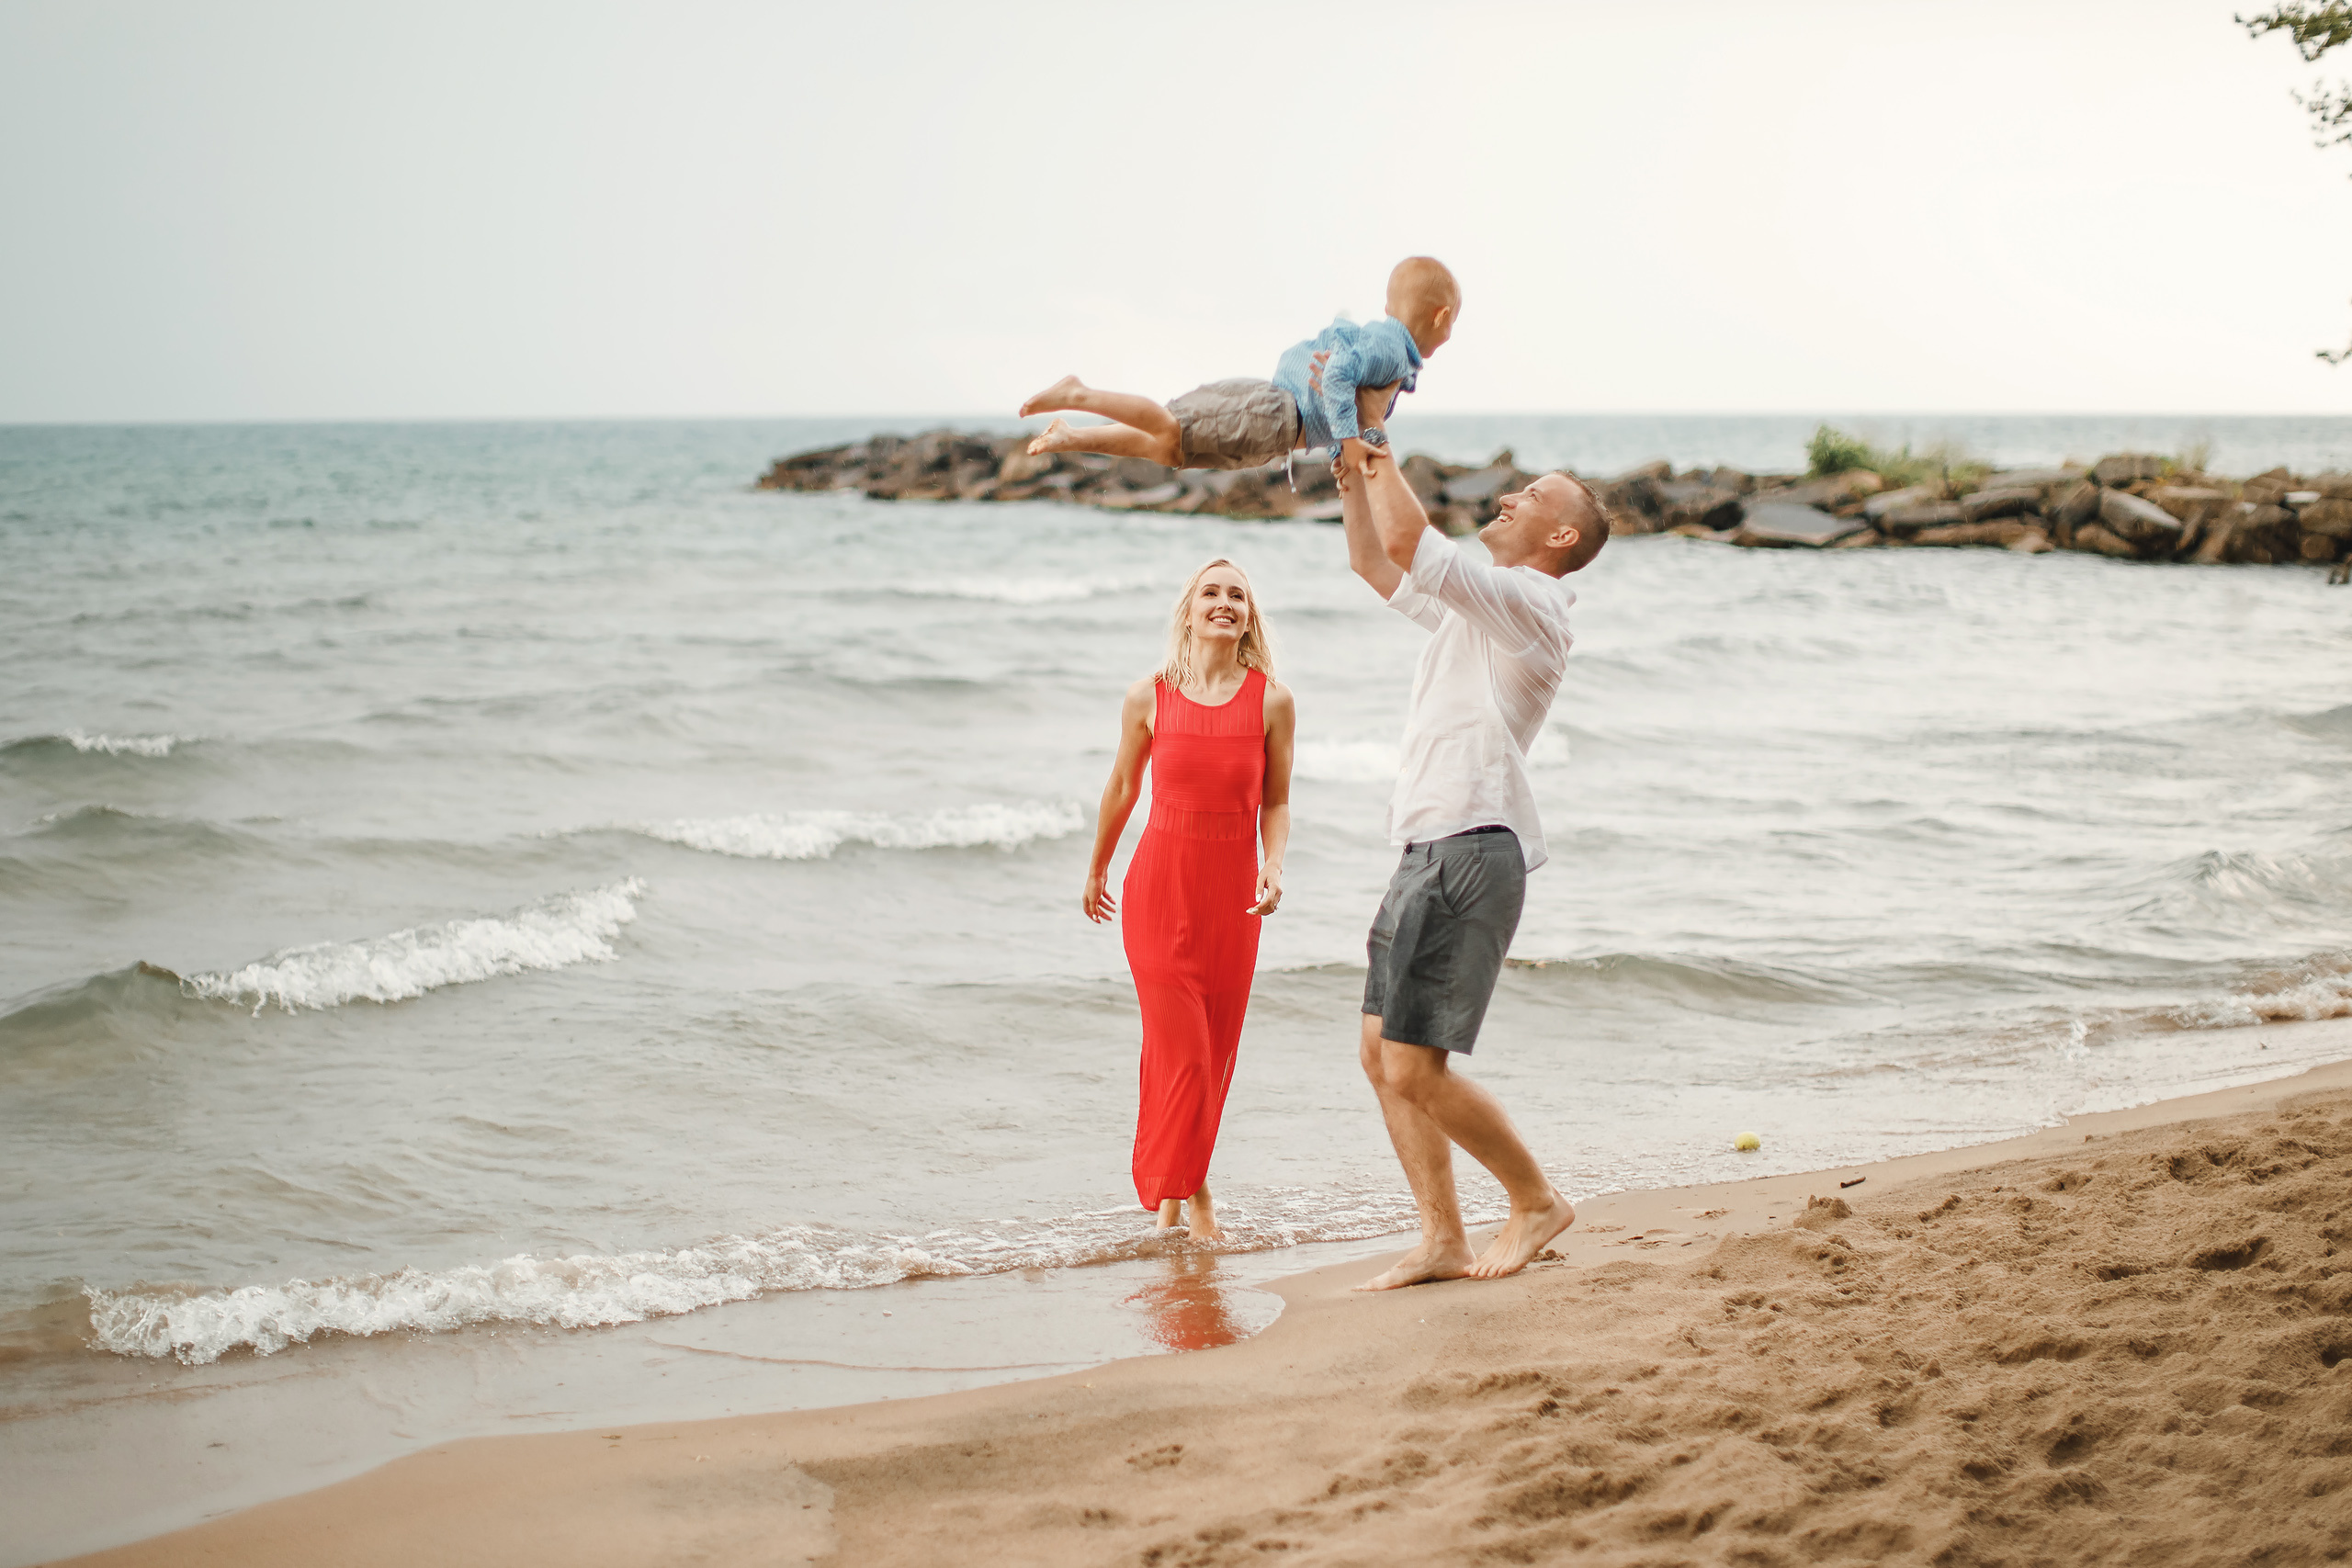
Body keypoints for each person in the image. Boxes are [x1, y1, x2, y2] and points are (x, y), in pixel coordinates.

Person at [1332, 423, 1609, 1291]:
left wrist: (1371, 435)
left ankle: (1535, 1200)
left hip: (1471, 846)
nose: (1509, 496)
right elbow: (1377, 561)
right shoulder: (1482, 612)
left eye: (1532, 494)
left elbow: (1412, 541)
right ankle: (1442, 1238)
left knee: (1415, 1063)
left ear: (1560, 534)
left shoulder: (1532, 607)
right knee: (1380, 1054)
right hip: (1425, 845)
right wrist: (1351, 477)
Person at [1082, 558, 1295, 1241]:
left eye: (1238, 595)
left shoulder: (1272, 701)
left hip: (1231, 901)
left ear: (1249, 617)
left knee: (1211, 1049)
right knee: (1186, 1055)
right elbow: (1122, 787)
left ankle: (1173, 1196)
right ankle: (1195, 1194)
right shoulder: (1148, 696)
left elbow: (1277, 800)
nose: (1224, 603)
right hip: (1158, 890)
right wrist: (1097, 868)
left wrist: (1274, 864)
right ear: (1190, 611)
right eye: (1211, 592)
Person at [1017, 257, 1459, 479]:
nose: (1450, 334)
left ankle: (1072, 438)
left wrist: (1341, 452)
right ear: (1440, 317)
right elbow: (1338, 373)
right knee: (1171, 427)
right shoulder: (1391, 348)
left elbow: (1340, 398)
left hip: (1278, 430)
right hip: (1273, 414)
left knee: (1171, 451)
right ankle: (1078, 393)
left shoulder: (1387, 348)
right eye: (1452, 324)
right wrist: (1348, 442)